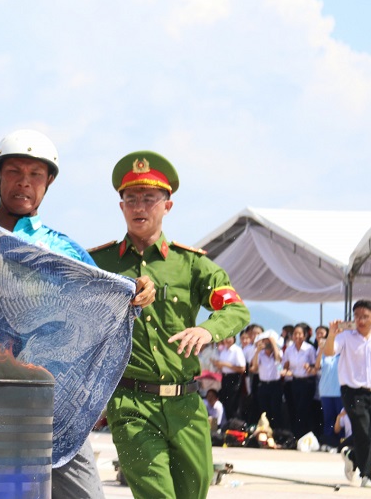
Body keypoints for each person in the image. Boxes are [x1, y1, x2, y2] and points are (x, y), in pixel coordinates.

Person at [0, 129, 155, 499]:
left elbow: (105, 309)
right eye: (14, 171)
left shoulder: (63, 251)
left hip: (52, 406)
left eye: (36, 176)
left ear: (48, 184)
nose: (24, 183)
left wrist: (137, 294)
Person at [90, 150, 249, 499]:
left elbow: (236, 310)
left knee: (194, 491)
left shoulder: (191, 265)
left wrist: (207, 329)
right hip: (131, 404)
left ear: (168, 205)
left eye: (149, 198)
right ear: (121, 207)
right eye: (131, 199)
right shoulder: (98, 264)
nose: (139, 207)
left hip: (187, 405)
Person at [325, 299, 371, 488]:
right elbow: (328, 352)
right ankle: (366, 474)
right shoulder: (346, 336)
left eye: (365, 316)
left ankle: (352, 455)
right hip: (352, 392)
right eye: (357, 316)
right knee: (363, 431)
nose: (361, 320)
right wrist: (332, 335)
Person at [281, 323, 318, 439]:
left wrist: (309, 366)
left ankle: (302, 435)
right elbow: (284, 364)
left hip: (307, 382)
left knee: (304, 409)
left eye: (299, 333)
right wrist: (284, 371)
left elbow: (315, 365)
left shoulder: (309, 348)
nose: (297, 336)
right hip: (294, 381)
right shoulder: (289, 349)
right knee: (295, 408)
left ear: (305, 335)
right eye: (295, 334)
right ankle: (296, 435)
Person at [250, 332, 285, 431]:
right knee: (264, 410)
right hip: (263, 385)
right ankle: (265, 431)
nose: (266, 343)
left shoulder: (278, 352)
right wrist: (257, 351)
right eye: (265, 341)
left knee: (276, 410)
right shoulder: (260, 354)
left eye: (268, 341)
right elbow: (255, 367)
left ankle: (277, 431)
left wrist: (273, 342)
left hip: (275, 385)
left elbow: (278, 359)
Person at [316, 336, 343, 447]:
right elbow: (317, 366)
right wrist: (321, 349)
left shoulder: (343, 355)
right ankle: (329, 441)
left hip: (340, 391)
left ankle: (342, 441)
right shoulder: (324, 355)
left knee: (341, 418)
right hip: (325, 391)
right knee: (328, 418)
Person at [212, 335, 246, 422]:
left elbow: (242, 368)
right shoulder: (224, 350)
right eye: (225, 337)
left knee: (233, 403)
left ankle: (236, 425)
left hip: (234, 378)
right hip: (225, 377)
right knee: (225, 402)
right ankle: (228, 424)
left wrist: (224, 364)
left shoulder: (237, 350)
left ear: (234, 339)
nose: (226, 339)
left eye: (229, 337)